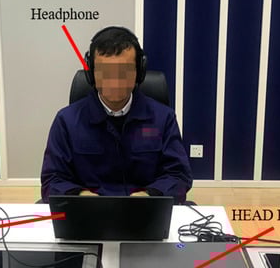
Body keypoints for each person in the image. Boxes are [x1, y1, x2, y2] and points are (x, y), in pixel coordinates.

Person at [40, 26, 192, 203]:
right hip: (87, 211)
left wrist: (150, 195)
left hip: (145, 209)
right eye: (105, 72)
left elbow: (178, 175)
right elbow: (52, 180)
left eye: (123, 71)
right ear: (91, 74)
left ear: (139, 72)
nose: (114, 81)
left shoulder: (163, 118)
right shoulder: (66, 121)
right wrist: (81, 196)